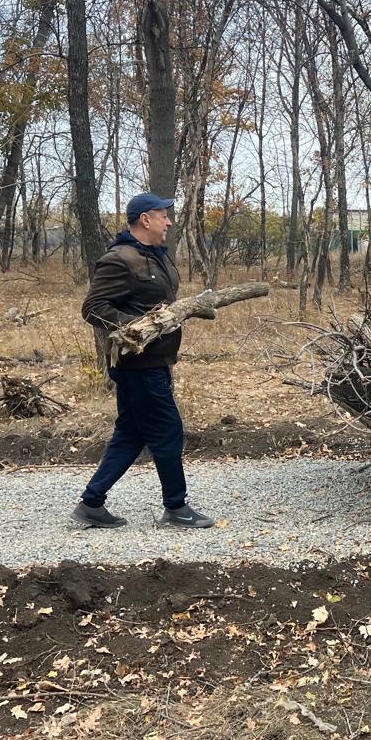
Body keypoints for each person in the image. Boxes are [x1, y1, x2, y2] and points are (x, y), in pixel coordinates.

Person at [72, 193, 215, 529]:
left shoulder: (156, 256)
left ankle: (92, 503)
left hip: (155, 361)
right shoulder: (120, 259)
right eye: (163, 215)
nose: (169, 222)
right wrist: (136, 328)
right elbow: (93, 308)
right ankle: (176, 507)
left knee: (132, 433)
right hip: (139, 365)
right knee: (168, 430)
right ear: (145, 219)